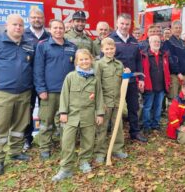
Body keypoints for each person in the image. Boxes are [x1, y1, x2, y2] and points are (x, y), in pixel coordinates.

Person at [0, 14, 35, 176]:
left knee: (19, 126)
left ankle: (15, 151)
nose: (18, 28)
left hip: (24, 92)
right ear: (6, 25)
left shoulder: (28, 45)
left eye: (21, 25)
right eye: (15, 24)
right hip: (3, 93)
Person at [52, 49, 104, 181]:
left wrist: (100, 114)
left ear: (91, 60)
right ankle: (66, 168)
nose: (84, 62)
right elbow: (64, 95)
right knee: (67, 141)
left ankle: (84, 161)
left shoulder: (95, 79)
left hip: (88, 115)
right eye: (81, 59)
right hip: (71, 115)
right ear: (76, 62)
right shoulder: (71, 77)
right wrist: (63, 112)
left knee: (88, 140)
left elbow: (99, 98)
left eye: (87, 59)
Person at [34, 19, 77, 160]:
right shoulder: (43, 46)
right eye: (55, 28)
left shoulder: (72, 46)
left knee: (66, 121)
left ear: (65, 29)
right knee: (46, 122)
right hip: (49, 91)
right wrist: (41, 89)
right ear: (50, 29)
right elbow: (38, 69)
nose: (58, 30)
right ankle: (45, 148)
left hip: (67, 92)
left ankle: (66, 146)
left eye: (61, 28)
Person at [109, 13, 147, 142]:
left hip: (131, 81)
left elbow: (138, 61)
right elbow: (105, 61)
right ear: (117, 24)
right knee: (115, 109)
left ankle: (135, 132)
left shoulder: (134, 41)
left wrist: (141, 78)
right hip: (116, 82)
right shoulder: (111, 39)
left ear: (130, 25)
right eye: (122, 24)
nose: (124, 26)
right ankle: (116, 134)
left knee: (133, 106)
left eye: (127, 24)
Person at [94, 38, 128, 163]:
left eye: (112, 48)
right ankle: (100, 152)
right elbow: (97, 85)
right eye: (107, 49)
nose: (109, 51)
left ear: (115, 49)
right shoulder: (99, 64)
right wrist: (100, 103)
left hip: (117, 101)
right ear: (102, 49)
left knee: (117, 126)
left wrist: (127, 74)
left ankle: (117, 149)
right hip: (104, 102)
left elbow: (122, 82)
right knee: (101, 128)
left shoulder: (119, 64)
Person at [23, 7, 50, 151]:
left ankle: (46, 138)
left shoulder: (48, 36)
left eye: (39, 17)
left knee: (45, 111)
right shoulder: (23, 35)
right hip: (27, 81)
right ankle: (27, 139)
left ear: (43, 19)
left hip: (45, 81)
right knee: (28, 110)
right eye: (33, 17)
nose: (36, 20)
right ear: (29, 19)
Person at [141, 35, 171, 134]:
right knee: (148, 107)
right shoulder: (144, 55)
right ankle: (146, 125)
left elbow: (167, 71)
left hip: (161, 86)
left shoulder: (164, 55)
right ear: (149, 43)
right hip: (149, 86)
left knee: (158, 107)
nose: (157, 43)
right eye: (154, 41)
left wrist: (168, 82)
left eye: (158, 41)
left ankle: (156, 124)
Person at [163, 20, 185, 101]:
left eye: (180, 28)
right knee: (174, 98)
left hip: (184, 75)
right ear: (171, 29)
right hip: (175, 76)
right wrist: (178, 73)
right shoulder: (168, 43)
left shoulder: (183, 42)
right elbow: (170, 59)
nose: (178, 29)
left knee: (184, 98)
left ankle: (182, 114)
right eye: (176, 28)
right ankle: (172, 114)